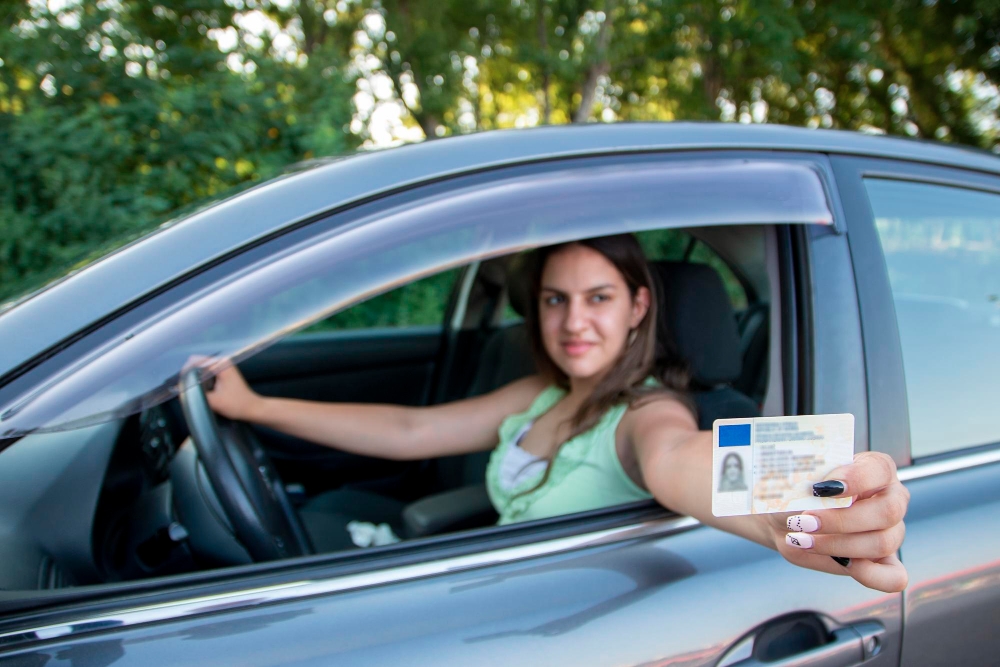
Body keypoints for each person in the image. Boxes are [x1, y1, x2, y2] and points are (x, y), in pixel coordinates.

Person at [205, 234, 909, 593]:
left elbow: (682, 463)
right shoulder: (545, 393)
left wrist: (792, 513)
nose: (574, 321)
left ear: (638, 307)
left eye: (598, 297)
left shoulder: (648, 415)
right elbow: (411, 429)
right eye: (554, 298)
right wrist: (254, 404)